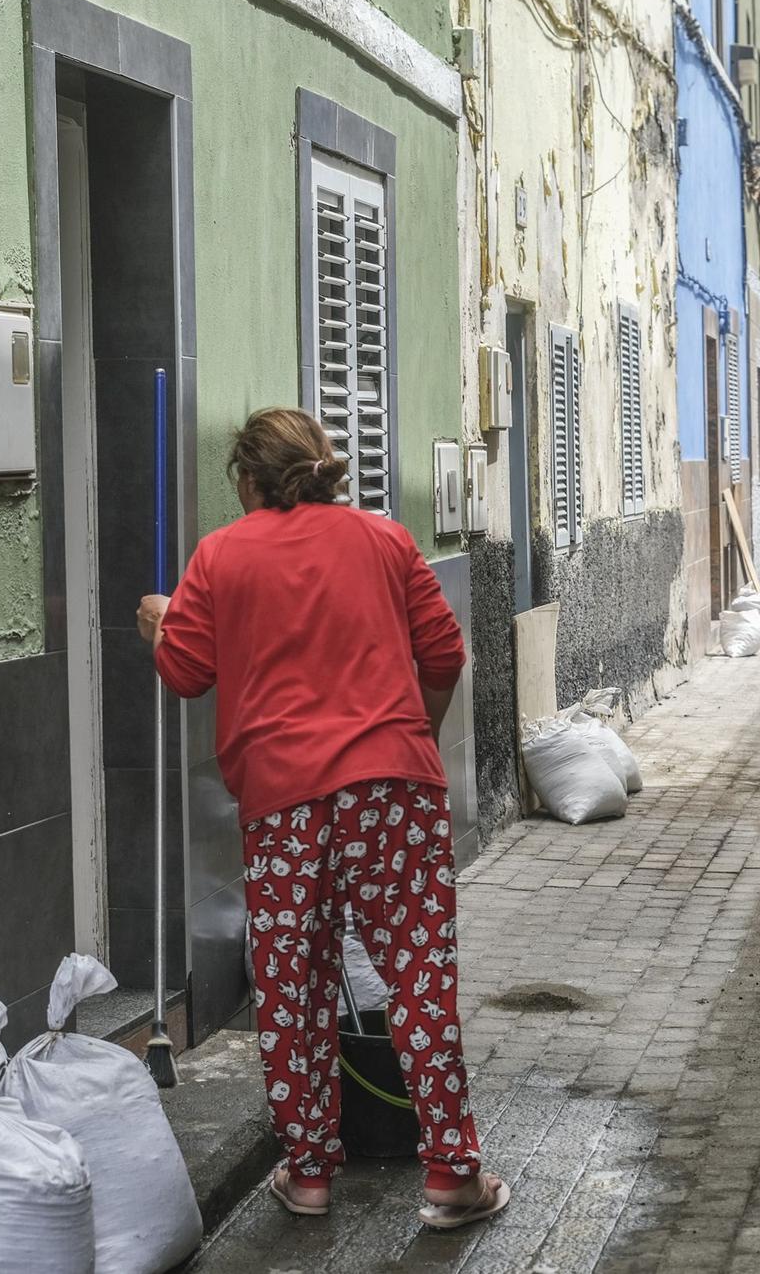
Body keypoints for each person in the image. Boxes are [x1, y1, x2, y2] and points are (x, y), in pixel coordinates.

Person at [137, 407, 509, 1230]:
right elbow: (445, 653)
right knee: (417, 976)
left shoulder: (220, 556)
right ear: (324, 469)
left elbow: (187, 673)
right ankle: (451, 1173)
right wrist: (414, 729)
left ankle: (307, 1174)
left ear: (245, 481)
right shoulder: (385, 539)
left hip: (282, 806)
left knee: (290, 984)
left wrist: (158, 623)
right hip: (393, 790)